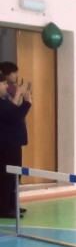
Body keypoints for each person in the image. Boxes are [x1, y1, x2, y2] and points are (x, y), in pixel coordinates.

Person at [0, 72, 31, 219]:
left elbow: (16, 112)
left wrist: (24, 99)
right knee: (6, 177)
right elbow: (14, 115)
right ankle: (4, 208)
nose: (7, 86)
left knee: (14, 176)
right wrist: (24, 100)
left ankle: (12, 205)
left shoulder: (4, 100)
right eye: (4, 83)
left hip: (13, 143)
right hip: (5, 145)